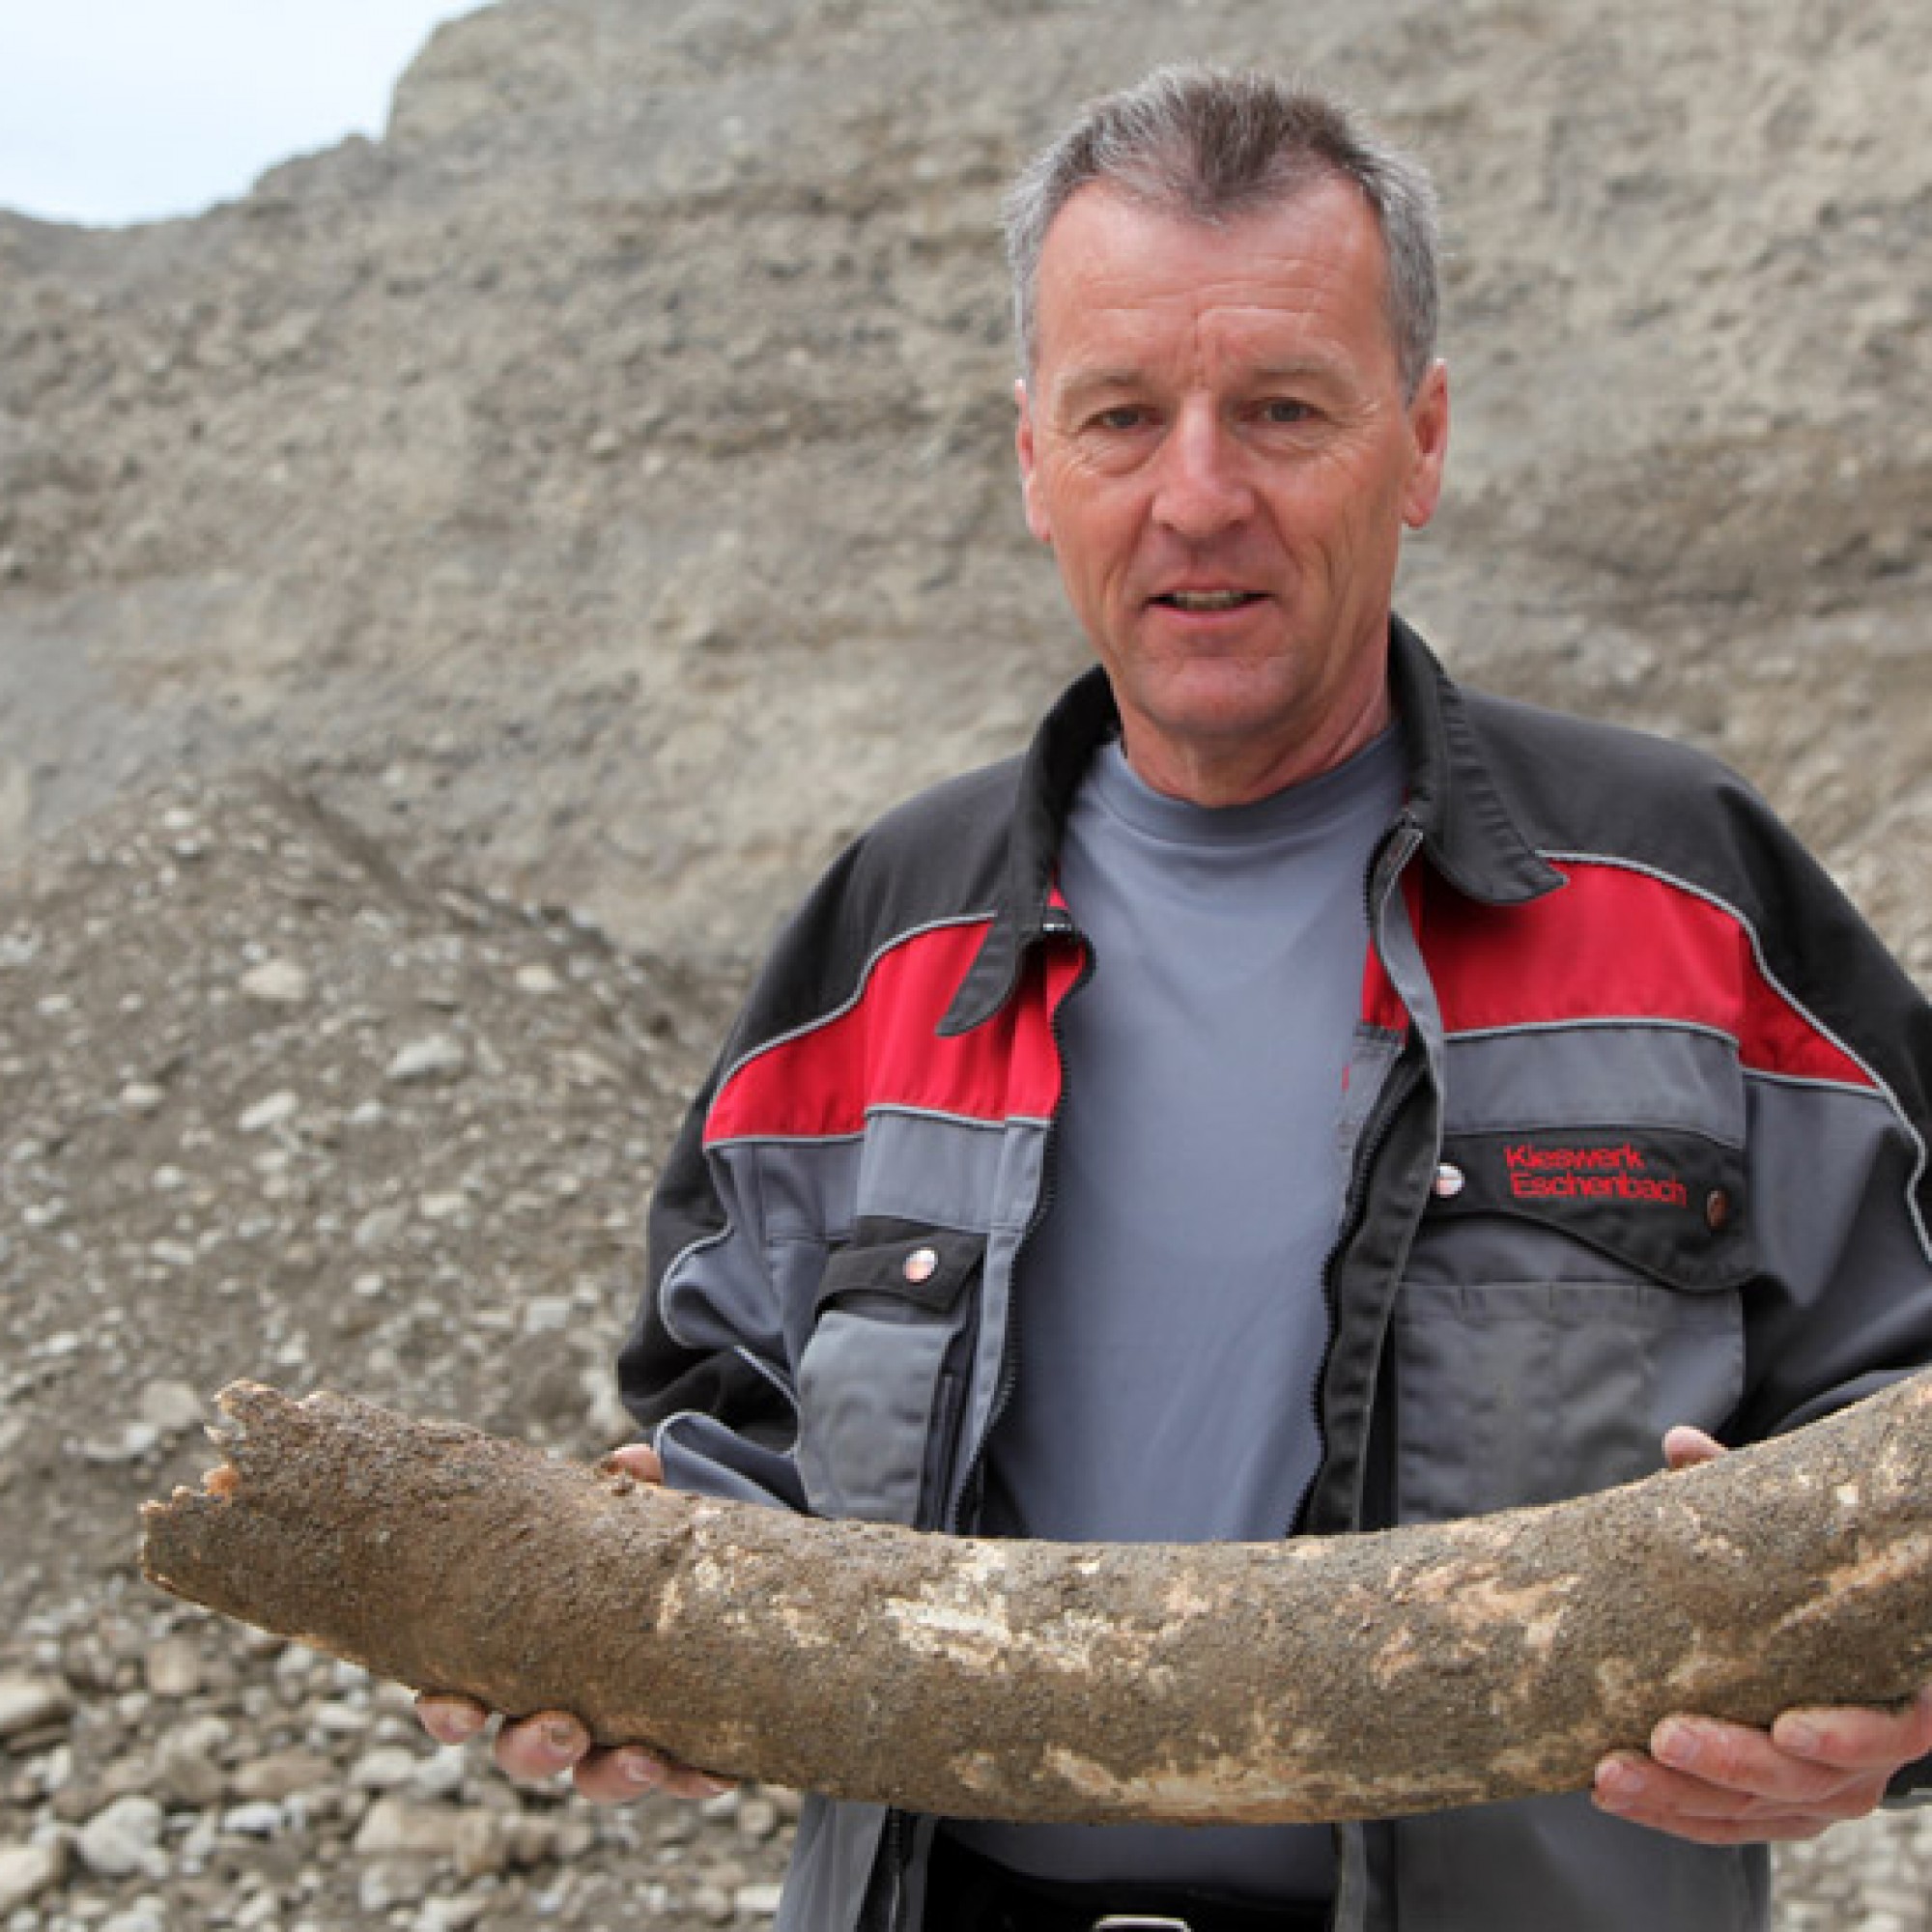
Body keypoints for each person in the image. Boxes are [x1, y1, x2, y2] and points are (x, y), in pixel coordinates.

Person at [420, 65, 1932, 1932]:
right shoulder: (885, 941)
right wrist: (632, 1628)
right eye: (1122, 416)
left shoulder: (1691, 896)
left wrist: (1903, 1713)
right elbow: (721, 1418)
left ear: (1425, 440)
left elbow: (1909, 1413)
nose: (1196, 496)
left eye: (1284, 410)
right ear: (1033, 461)